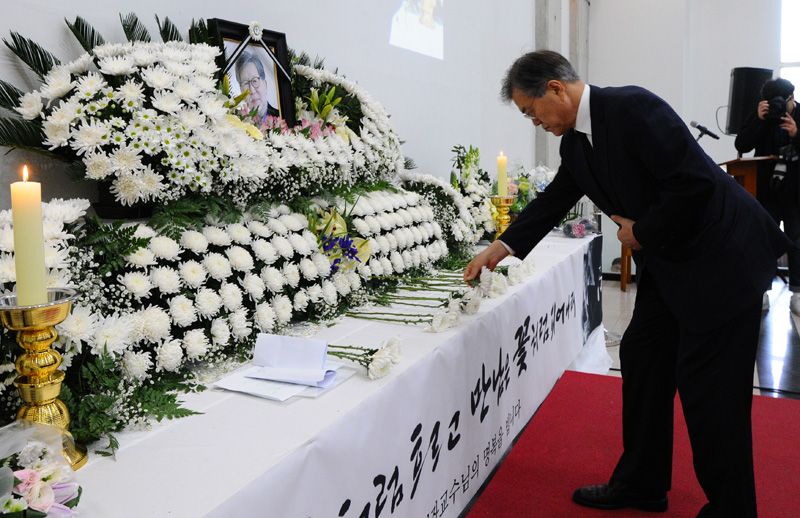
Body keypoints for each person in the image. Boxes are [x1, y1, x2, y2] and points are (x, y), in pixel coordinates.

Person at [464, 50, 790, 518]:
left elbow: (695, 183)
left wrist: (642, 232)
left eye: (531, 112)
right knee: (642, 357)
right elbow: (557, 197)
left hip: (721, 261)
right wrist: (502, 247)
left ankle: (734, 509)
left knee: (711, 390)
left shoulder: (633, 108)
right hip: (672, 262)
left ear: (556, 89)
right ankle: (642, 482)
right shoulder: (575, 145)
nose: (534, 123)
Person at [734, 78, 800, 314]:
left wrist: (796, 133)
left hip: (795, 194)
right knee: (762, 243)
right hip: (765, 192)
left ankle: (797, 294)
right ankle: (761, 291)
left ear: (792, 98)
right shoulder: (760, 114)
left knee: (797, 242)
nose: (779, 107)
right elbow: (741, 144)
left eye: (783, 102)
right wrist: (760, 121)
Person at [234, 50, 280, 123]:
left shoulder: (282, 118)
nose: (252, 90)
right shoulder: (238, 125)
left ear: (265, 85)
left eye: (255, 81)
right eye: (246, 83)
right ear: (241, 91)